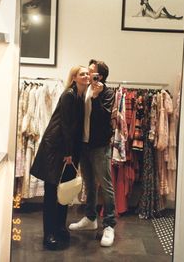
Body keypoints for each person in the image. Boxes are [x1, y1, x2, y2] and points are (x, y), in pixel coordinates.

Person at [30, 66, 90, 250]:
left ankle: (60, 228)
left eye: (88, 73)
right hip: (56, 148)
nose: (86, 76)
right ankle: (49, 235)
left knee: (64, 191)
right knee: (51, 192)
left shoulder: (80, 97)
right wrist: (68, 153)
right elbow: (65, 125)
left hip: (66, 148)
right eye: (82, 74)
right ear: (74, 78)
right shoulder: (69, 95)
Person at [69, 59, 116, 247]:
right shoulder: (85, 89)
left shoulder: (107, 92)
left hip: (99, 145)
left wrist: (96, 98)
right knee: (89, 184)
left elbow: (104, 118)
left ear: (100, 76)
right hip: (84, 144)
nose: (89, 75)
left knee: (105, 185)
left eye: (92, 72)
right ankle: (90, 218)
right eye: (88, 72)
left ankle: (110, 225)